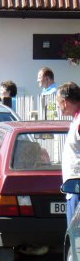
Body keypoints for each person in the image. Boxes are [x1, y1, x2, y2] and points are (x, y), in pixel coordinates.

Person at [57, 82, 80, 225]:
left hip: (77, 186)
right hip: (74, 186)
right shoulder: (77, 119)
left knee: (75, 237)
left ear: (64, 102)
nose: (59, 108)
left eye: (58, 103)